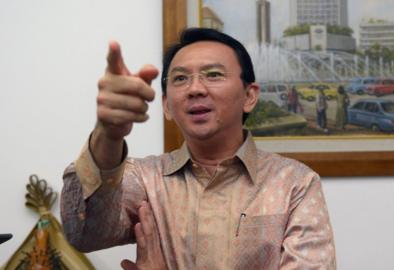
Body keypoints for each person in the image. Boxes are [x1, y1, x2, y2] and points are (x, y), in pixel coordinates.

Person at [61, 28, 336, 270]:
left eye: (213, 74)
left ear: (249, 96)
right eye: (180, 79)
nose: (195, 89)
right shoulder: (145, 179)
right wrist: (107, 135)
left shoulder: (294, 183)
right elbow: (84, 232)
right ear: (167, 105)